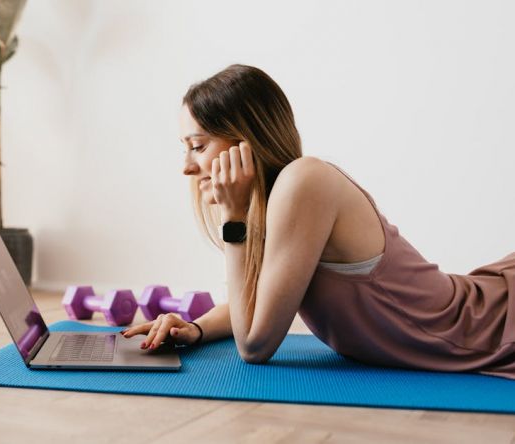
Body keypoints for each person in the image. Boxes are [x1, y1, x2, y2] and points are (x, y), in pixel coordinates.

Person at [122, 64, 515, 379]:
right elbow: (258, 307)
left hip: (487, 327)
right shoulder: (281, 202)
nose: (187, 167)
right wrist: (198, 328)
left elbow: (254, 345)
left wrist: (233, 215)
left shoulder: (304, 180)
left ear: (246, 140)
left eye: (198, 146)